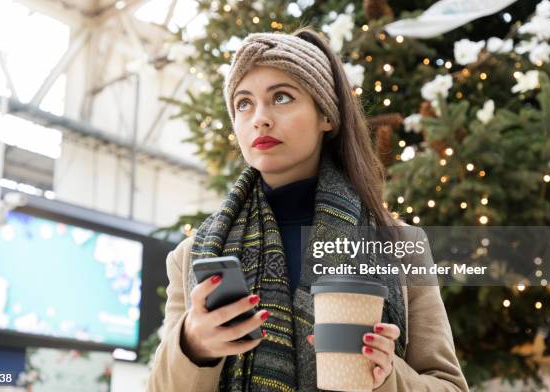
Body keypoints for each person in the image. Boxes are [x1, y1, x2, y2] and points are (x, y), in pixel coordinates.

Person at [147, 28, 469, 392]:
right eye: (243, 103)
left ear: (326, 115)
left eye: (281, 97)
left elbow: (449, 387)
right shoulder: (192, 256)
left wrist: (386, 375)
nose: (260, 118)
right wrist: (192, 345)